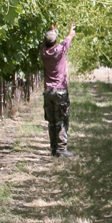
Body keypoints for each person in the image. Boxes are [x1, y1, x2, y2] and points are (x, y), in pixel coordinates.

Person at [41, 22, 76, 157]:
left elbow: (50, 40)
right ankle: (61, 149)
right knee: (61, 120)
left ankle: (54, 149)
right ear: (55, 41)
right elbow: (70, 36)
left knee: (51, 121)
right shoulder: (59, 51)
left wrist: (51, 28)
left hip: (48, 91)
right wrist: (71, 29)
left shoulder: (43, 51)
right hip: (60, 91)